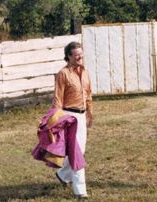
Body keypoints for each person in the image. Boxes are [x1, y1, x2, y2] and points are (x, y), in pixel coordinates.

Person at [52, 41, 93, 199]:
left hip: (82, 116)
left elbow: (88, 95)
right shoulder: (63, 74)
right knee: (77, 154)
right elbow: (57, 99)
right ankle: (80, 191)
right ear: (68, 57)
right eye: (76, 55)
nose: (80, 57)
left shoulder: (85, 72)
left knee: (80, 151)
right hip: (70, 116)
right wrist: (57, 120)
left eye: (81, 54)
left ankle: (63, 175)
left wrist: (90, 114)